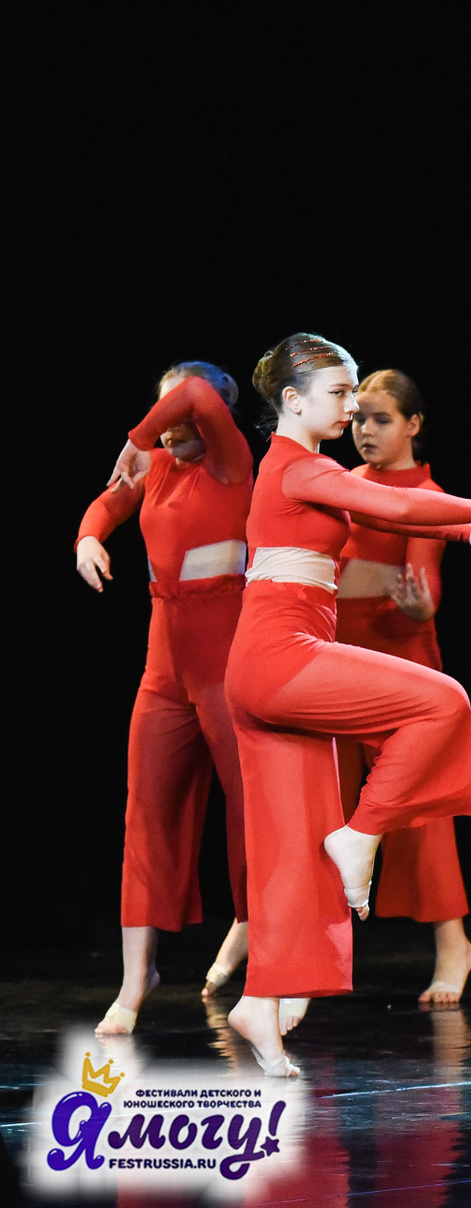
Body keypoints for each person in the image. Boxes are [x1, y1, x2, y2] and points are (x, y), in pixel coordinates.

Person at [222, 334, 471, 1076]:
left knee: (292, 846)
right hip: (279, 658)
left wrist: (462, 527)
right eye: (339, 395)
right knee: (442, 702)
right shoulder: (297, 466)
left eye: (356, 396)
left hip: (268, 664)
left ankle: (260, 1002)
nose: (351, 409)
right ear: (292, 400)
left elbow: (385, 514)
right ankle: (361, 837)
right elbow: (383, 500)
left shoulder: (302, 470)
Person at [78, 364, 254, 1034]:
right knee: (146, 812)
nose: (168, 431)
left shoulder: (232, 464)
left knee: (250, 810)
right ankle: (135, 980)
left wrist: (138, 432)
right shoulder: (154, 467)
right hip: (164, 670)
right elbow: (106, 504)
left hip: (227, 665)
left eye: (178, 419)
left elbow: (198, 394)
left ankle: (256, 933)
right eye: (161, 418)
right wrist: (89, 538)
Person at [333, 369, 471, 1005]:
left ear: (414, 425)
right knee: (326, 802)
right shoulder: (345, 482)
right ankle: (303, 948)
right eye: (359, 418)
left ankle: (454, 945)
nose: (365, 430)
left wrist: (420, 607)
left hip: (398, 654)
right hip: (337, 652)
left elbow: (427, 583)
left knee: (419, 811)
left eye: (382, 419)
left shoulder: (426, 492)